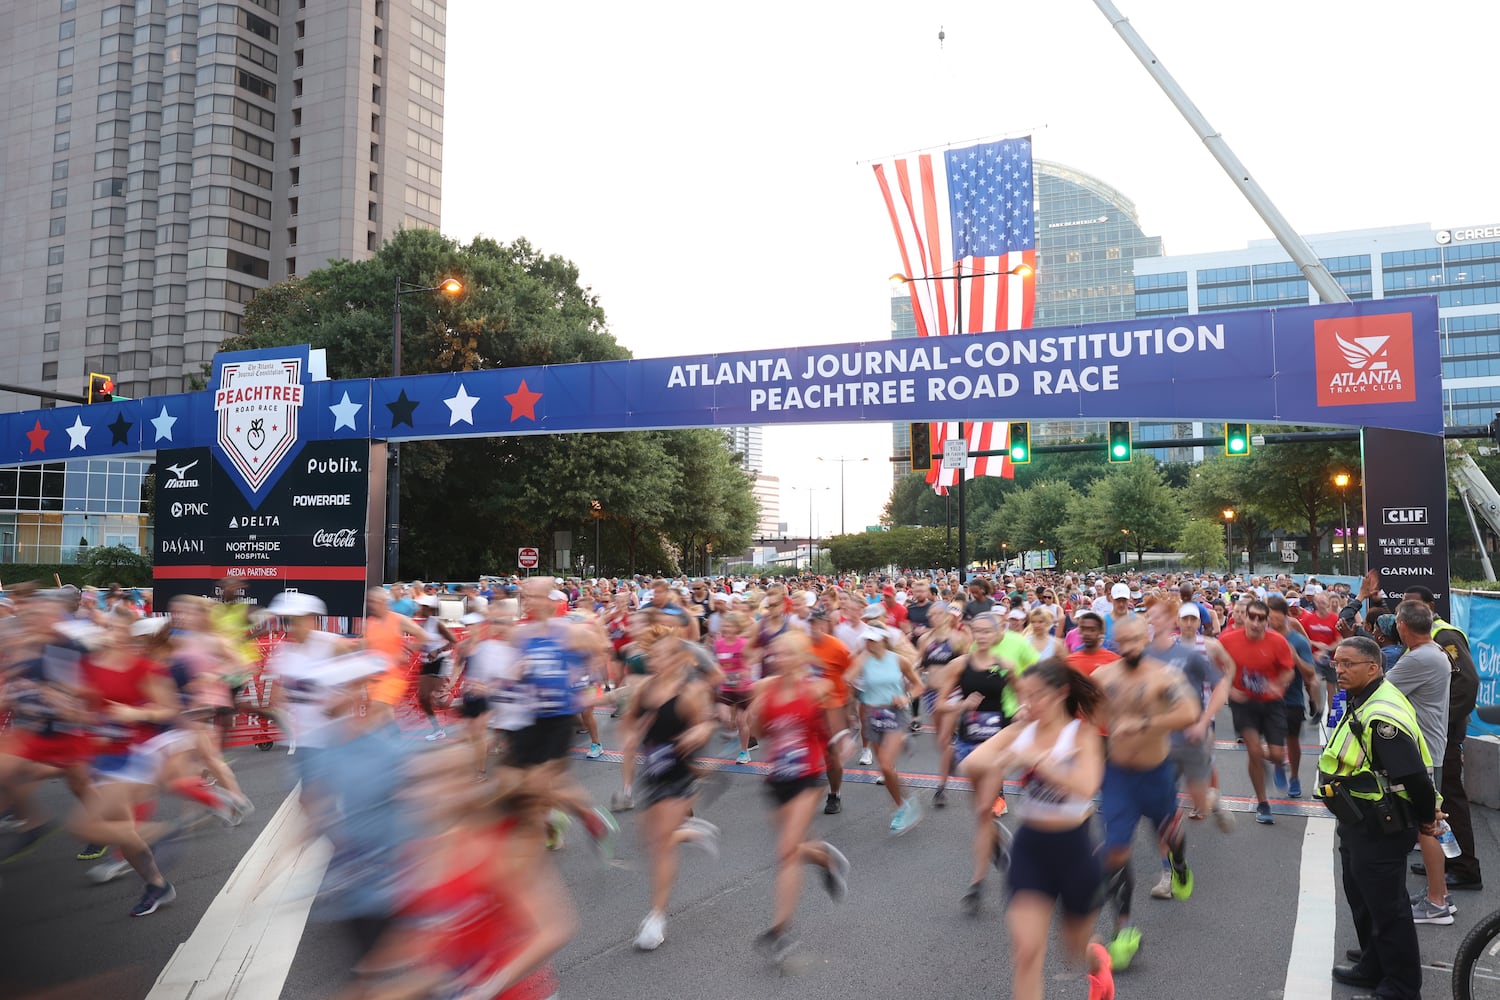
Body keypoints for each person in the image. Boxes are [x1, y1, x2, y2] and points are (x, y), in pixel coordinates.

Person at [961, 659, 1114, 1000]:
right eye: (1024, 696)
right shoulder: (1021, 732)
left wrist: (1040, 760)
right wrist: (1006, 754)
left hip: (1074, 852)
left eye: (1037, 696)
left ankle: (1096, 960)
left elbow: (1087, 787)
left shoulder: (1083, 735)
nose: (1029, 704)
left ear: (1061, 693)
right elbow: (970, 762)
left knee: (1075, 948)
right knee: (1026, 953)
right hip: (1031, 849)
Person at [1319, 635, 1437, 999]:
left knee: (1388, 908)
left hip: (1381, 823)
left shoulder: (1381, 713)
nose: (1339, 669)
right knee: (1362, 897)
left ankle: (1401, 986)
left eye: (1348, 664)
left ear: (1373, 667)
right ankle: (1373, 963)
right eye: (1337, 663)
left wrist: (1427, 819)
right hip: (1358, 818)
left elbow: (1414, 775)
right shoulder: (1364, 697)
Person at [1092, 617, 1201, 971]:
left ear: (1146, 637)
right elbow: (1083, 719)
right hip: (1118, 778)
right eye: (1122, 641)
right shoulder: (1103, 678)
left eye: (1135, 640)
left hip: (1156, 775)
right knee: (1115, 851)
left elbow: (1189, 712)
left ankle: (1179, 865)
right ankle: (1123, 931)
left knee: (1171, 836)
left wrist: (1144, 723)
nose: (1128, 648)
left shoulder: (1163, 677)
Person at [746, 629, 850, 964]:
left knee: (787, 852)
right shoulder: (766, 688)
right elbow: (760, 734)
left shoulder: (817, 689)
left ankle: (779, 931)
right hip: (777, 777)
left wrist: (841, 743)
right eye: (775, 653)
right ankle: (826, 859)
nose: (778, 659)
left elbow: (832, 731)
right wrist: (754, 715)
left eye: (787, 653)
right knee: (796, 847)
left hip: (808, 776)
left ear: (802, 657)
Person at [620, 619, 720, 951]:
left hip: (680, 772)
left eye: (663, 655)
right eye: (652, 655)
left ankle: (656, 918)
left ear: (677, 657)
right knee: (650, 839)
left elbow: (706, 723)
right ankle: (693, 831)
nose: (655, 661)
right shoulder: (645, 689)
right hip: (654, 769)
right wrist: (632, 734)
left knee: (660, 845)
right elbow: (629, 720)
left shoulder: (689, 692)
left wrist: (699, 732)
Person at [1384, 600, 1452, 925]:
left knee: (1428, 825)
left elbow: (1378, 688)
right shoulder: (1432, 651)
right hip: (1429, 746)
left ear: (1402, 626)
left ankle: (1437, 901)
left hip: (1424, 750)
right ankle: (1437, 895)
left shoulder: (1420, 657)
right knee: (1429, 823)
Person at [1217, 599, 1295, 825]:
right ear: (1244, 617)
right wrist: (1229, 689)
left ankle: (1278, 763)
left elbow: (1288, 671)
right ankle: (1263, 803)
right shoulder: (1228, 640)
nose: (1256, 622)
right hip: (1244, 702)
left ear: (1267, 620)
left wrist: (1278, 684)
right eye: (1252, 617)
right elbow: (1214, 667)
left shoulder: (1277, 642)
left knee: (1277, 754)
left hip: (1272, 703)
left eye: (1261, 618)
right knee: (1252, 749)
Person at [845, 622, 924, 833]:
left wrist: (905, 697)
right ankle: (902, 805)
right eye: (866, 640)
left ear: (883, 640)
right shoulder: (863, 660)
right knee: (885, 769)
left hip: (895, 713)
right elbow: (846, 680)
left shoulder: (899, 660)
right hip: (872, 714)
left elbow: (919, 686)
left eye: (872, 639)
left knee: (888, 765)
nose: (868, 643)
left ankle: (903, 806)